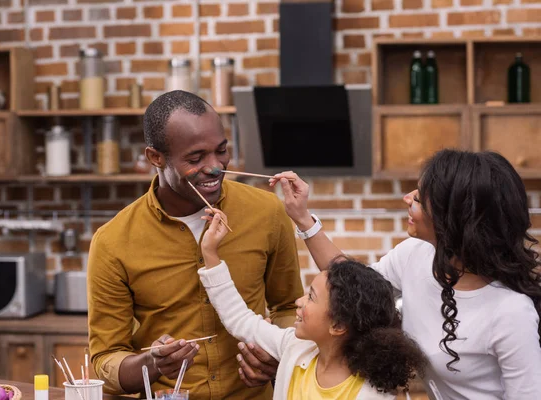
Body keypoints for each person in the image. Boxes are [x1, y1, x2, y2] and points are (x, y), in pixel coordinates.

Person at [270, 149, 541, 400]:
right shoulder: (416, 254)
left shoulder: (511, 314)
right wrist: (303, 218)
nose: (407, 198)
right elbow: (354, 286)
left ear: (454, 221)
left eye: (420, 199)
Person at [87, 90, 304, 399]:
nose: (216, 167)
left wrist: (279, 352)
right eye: (196, 158)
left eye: (221, 150)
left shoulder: (267, 212)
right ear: (155, 158)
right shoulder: (113, 242)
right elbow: (105, 359)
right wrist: (152, 364)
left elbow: (288, 307)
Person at [198, 210, 428, 400]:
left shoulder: (373, 394)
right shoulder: (294, 347)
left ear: (337, 325)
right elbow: (240, 320)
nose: (299, 301)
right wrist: (210, 254)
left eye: (311, 297)